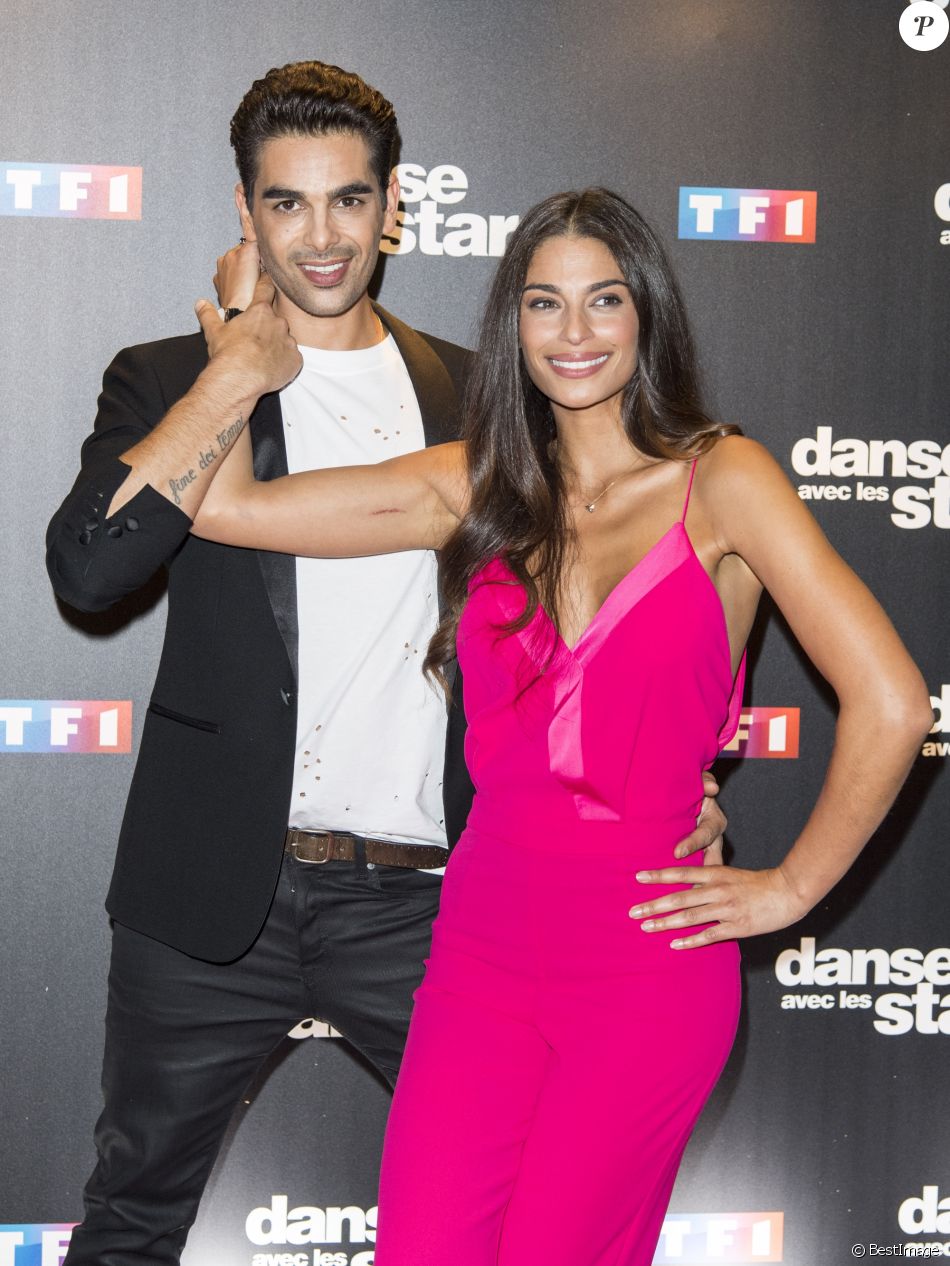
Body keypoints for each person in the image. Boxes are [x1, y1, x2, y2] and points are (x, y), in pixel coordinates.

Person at [44, 65, 725, 1264]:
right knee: (130, 1221)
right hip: (208, 898)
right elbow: (91, 569)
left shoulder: (482, 397)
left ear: (392, 206)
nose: (321, 236)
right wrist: (236, 373)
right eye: (288, 204)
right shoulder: (165, 381)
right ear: (245, 212)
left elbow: (615, 607)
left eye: (348, 201)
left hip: (432, 907)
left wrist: (686, 781)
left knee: (507, 1219)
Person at [189, 188, 933, 1266]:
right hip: (482, 954)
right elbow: (223, 509)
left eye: (603, 301)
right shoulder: (475, 484)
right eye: (544, 304)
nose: (574, 333)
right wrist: (239, 352)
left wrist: (789, 889)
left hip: (644, 967)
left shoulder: (722, 481)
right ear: (513, 325)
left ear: (646, 318)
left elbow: (895, 701)